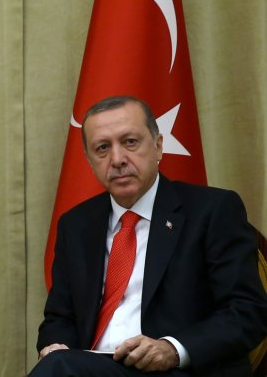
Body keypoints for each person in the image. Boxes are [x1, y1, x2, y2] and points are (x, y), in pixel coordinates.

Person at [31, 96, 267, 376]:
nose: (117, 159)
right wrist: (54, 346)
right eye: (102, 148)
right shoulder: (76, 225)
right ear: (89, 160)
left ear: (158, 146)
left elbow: (247, 312)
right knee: (58, 363)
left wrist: (172, 349)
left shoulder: (212, 210)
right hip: (89, 366)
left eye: (130, 142)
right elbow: (59, 318)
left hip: (179, 370)